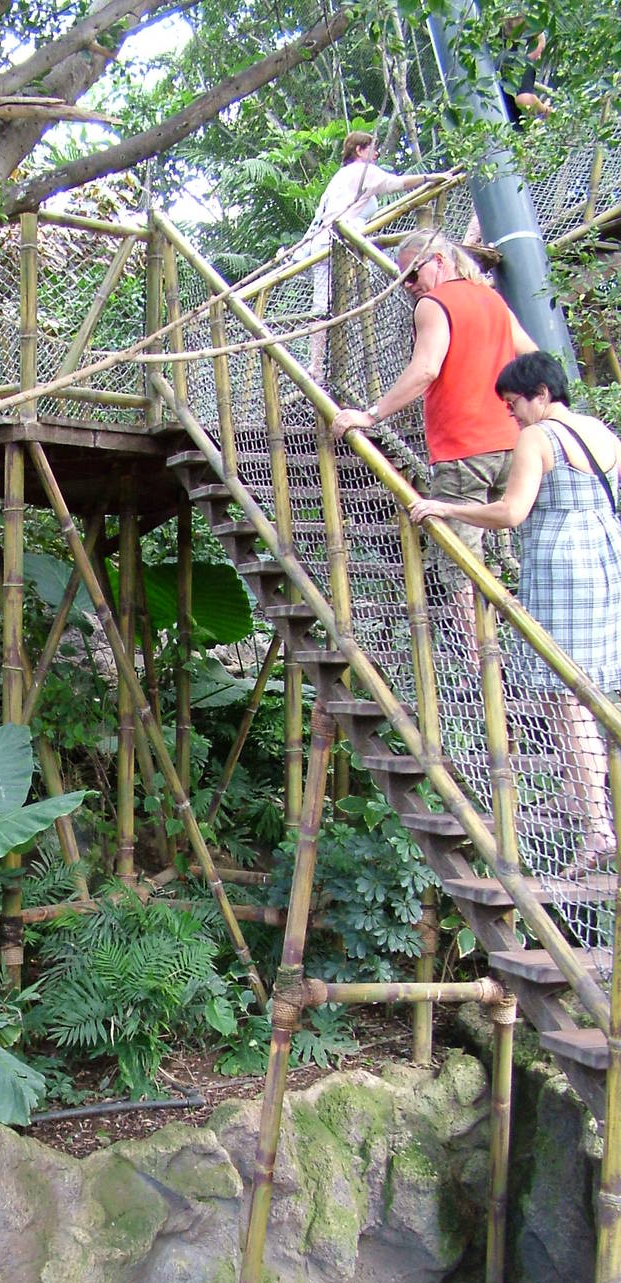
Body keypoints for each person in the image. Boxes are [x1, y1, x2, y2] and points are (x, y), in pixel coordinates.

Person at [408, 351, 621, 875]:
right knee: (576, 687)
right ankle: (580, 798)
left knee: (566, 690)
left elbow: (510, 512)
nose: (513, 416)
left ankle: (596, 826)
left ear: (542, 395)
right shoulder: (601, 432)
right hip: (604, 557)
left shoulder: (539, 437)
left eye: (514, 405)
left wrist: (447, 507)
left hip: (559, 566)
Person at [331, 229, 538, 643]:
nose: (409, 285)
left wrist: (371, 416)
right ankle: (517, 655)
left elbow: (426, 368)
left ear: (440, 261)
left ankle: (485, 662)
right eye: (402, 278)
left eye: (412, 273)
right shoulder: (491, 299)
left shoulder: (434, 302)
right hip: (514, 444)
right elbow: (531, 354)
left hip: (464, 449)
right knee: (511, 554)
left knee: (459, 561)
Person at [286, 132, 447, 379]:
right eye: (374, 148)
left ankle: (316, 365)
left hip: (323, 245)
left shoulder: (339, 178)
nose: (377, 154)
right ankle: (331, 364)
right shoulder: (362, 171)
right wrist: (431, 177)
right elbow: (397, 183)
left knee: (322, 305)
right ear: (360, 150)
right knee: (354, 297)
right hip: (345, 243)